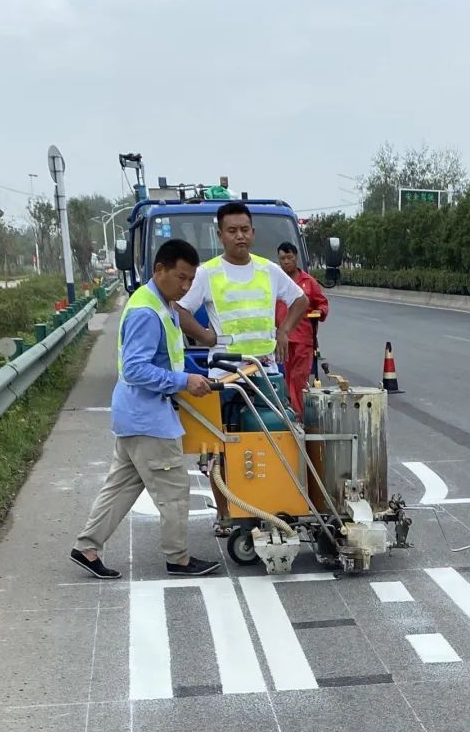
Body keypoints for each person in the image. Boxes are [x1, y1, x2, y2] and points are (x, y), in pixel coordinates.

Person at [70, 238, 221, 579]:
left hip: (134, 416)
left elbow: (160, 359)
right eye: (180, 277)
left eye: (190, 281)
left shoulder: (160, 302)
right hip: (148, 420)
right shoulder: (147, 311)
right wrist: (183, 382)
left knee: (121, 486)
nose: (185, 286)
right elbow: (135, 369)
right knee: (175, 491)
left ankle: (87, 547)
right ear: (159, 270)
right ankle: (178, 559)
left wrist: (189, 378)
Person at [175, 201, 309, 537]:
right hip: (225, 376)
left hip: (265, 372)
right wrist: (206, 336)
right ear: (220, 235)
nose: (240, 236)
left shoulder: (269, 270)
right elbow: (180, 311)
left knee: (272, 440)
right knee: (222, 449)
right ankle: (225, 515)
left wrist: (284, 331)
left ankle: (268, 506)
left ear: (253, 232)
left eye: (245, 230)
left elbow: (300, 300)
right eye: (232, 231)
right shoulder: (208, 273)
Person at [275, 241, 329, 418]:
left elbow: (321, 302)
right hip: (282, 339)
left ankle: (298, 414)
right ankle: (291, 410)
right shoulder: (275, 281)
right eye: (283, 258)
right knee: (286, 376)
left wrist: (319, 312)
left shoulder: (308, 282)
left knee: (299, 376)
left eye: (290, 258)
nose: (286, 262)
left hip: (304, 339)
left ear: (296, 258)